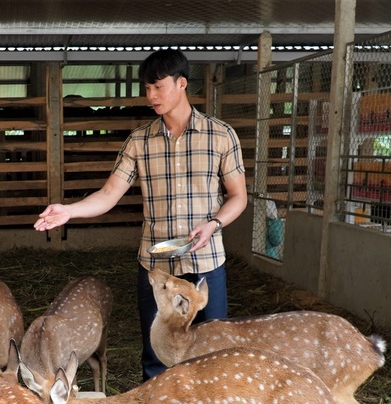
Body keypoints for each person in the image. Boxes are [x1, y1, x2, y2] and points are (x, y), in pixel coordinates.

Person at [34, 48, 247, 380]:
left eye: (158, 87)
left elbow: (238, 197)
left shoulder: (221, 136)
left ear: (182, 84)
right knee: (156, 353)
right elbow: (107, 195)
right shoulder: (138, 141)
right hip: (156, 268)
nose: (151, 96)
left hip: (205, 263)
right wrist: (68, 211)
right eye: (147, 88)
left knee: (213, 352)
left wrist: (214, 224)